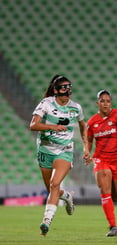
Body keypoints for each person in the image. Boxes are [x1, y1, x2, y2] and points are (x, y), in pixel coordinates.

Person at [29, 75, 89, 236]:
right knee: (51, 188)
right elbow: (33, 125)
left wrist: (86, 148)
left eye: (69, 88)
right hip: (45, 150)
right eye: (63, 88)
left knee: (55, 185)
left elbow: (83, 126)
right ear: (56, 90)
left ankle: (46, 222)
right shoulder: (46, 103)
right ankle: (67, 196)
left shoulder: (76, 107)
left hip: (65, 150)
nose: (67, 92)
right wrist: (53, 127)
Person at [84, 90, 117, 237]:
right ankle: (113, 226)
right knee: (104, 188)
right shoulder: (92, 122)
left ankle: (111, 213)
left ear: (111, 103)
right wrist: (87, 152)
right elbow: (89, 140)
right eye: (102, 101)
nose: (105, 103)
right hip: (102, 159)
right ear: (97, 103)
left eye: (108, 101)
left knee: (115, 197)